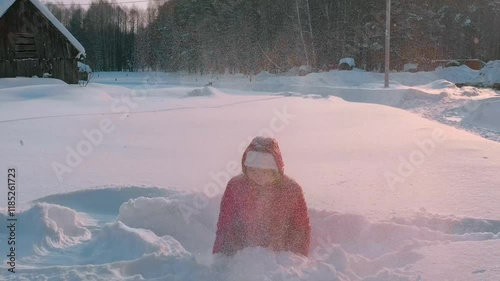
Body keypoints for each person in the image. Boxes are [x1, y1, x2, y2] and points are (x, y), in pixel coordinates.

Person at [213, 136, 310, 256]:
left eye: (265, 171)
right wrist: (221, 258)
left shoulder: (291, 190)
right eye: (253, 170)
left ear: (276, 171)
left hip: (280, 256)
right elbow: (225, 224)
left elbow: (300, 228)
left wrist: (298, 258)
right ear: (246, 168)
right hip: (243, 253)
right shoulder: (236, 187)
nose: (259, 176)